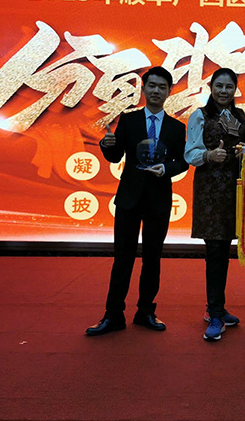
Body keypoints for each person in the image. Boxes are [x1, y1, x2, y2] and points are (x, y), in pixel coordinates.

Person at [86, 66, 189, 336]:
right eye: (152, 86)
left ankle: (146, 311)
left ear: (169, 92)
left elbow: (182, 162)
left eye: (162, 87)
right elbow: (116, 156)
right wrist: (107, 144)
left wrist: (166, 168)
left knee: (152, 258)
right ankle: (113, 315)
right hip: (129, 198)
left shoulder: (177, 127)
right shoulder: (129, 120)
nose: (156, 91)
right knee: (123, 257)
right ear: (143, 89)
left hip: (159, 199)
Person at [185, 68, 245, 342]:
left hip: (236, 191)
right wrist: (209, 155)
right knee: (214, 251)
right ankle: (215, 313)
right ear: (211, 87)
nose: (224, 91)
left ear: (235, 89)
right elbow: (190, 153)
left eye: (229, 87)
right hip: (210, 192)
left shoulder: (241, 117)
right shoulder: (200, 115)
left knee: (225, 251)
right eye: (219, 86)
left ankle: (217, 308)